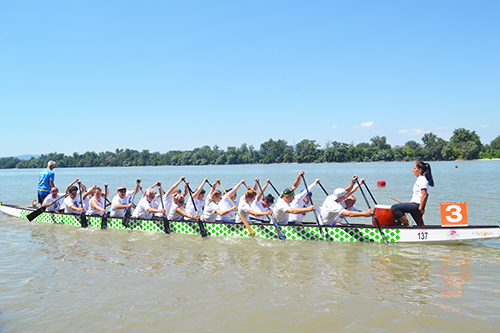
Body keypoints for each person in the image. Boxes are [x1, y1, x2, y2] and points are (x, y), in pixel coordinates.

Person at [391, 161, 434, 227]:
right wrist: (409, 203)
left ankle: (407, 225)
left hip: (417, 205)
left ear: (420, 170)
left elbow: (424, 194)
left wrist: (420, 208)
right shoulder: (419, 179)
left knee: (394, 208)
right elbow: (417, 195)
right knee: (398, 207)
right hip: (414, 204)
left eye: (414, 168)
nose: (413, 170)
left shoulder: (422, 179)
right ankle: (401, 225)